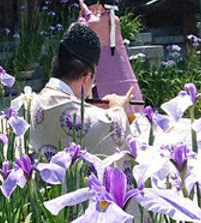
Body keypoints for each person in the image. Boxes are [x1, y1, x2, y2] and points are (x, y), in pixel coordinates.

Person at [28, 22, 134, 161]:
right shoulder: (92, 118)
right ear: (87, 77)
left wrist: (91, 109)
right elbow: (111, 130)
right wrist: (118, 109)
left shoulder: (32, 101)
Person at [81, 0, 144, 103]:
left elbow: (86, 23)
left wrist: (85, 11)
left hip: (102, 58)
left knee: (102, 84)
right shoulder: (115, 19)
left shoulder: (95, 21)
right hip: (116, 56)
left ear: (102, 6)